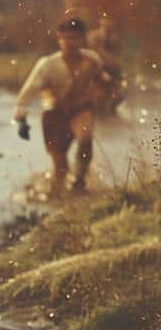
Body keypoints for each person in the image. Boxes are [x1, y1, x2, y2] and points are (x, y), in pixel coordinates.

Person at [13, 16, 113, 195]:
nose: (68, 42)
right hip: (54, 114)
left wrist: (106, 87)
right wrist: (21, 119)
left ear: (83, 39)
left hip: (81, 109)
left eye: (73, 37)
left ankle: (79, 181)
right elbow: (27, 93)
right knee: (60, 165)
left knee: (85, 139)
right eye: (64, 38)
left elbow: (101, 77)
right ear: (58, 39)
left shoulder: (91, 59)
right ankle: (57, 195)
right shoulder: (48, 65)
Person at [87, 13, 125, 115]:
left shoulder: (115, 39)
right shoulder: (93, 37)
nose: (106, 27)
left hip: (110, 71)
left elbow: (117, 59)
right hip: (95, 70)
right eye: (104, 24)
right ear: (100, 23)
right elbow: (96, 55)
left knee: (118, 95)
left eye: (110, 25)